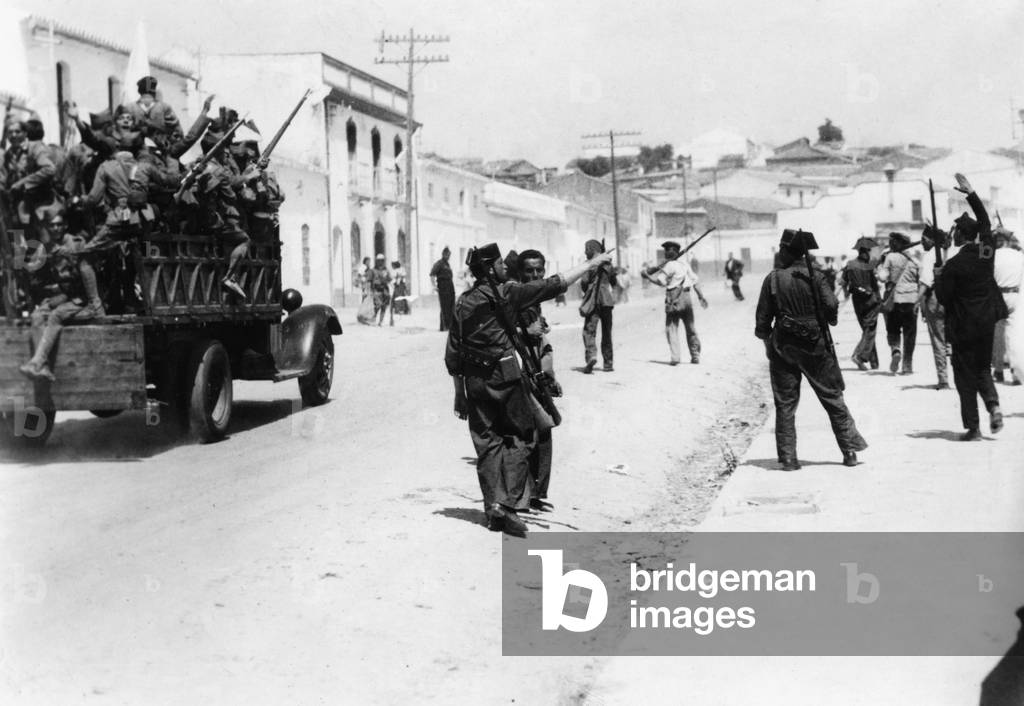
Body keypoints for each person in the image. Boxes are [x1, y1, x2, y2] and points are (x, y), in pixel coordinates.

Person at [445, 242, 613, 535]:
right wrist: (591, 264)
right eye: (499, 264)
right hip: (505, 377)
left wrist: (459, 393)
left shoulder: (463, 302)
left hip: (474, 381)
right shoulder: (507, 293)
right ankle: (507, 506)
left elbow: (454, 351)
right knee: (523, 435)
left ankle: (492, 507)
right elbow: (555, 284)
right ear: (490, 268)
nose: (503, 267)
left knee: (487, 444)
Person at [754, 229, 868, 469]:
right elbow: (831, 304)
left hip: (783, 346)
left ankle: (788, 458)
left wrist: (768, 347)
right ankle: (849, 452)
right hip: (816, 345)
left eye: (782, 250)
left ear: (786, 252)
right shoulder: (815, 277)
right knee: (832, 397)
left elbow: (763, 321)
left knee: (785, 403)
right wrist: (827, 318)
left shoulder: (773, 279)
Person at [934, 173, 1007, 441]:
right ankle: (993, 405)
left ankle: (974, 427)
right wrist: (971, 193)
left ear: (960, 235)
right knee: (982, 369)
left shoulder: (953, 266)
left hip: (963, 326)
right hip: (987, 320)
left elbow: (943, 298)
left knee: (964, 376)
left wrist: (939, 275)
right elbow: (986, 223)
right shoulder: (986, 251)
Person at [517, 249, 559, 510]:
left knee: (542, 431)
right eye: (529, 270)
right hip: (518, 373)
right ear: (520, 272)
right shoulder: (513, 295)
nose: (534, 275)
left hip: (536, 370)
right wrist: (526, 331)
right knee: (531, 432)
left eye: (539, 270)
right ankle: (523, 495)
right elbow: (499, 332)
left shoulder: (535, 298)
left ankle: (536, 493)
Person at [642, 240, 708, 365]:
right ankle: (695, 355)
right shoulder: (685, 265)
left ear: (670, 252)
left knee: (671, 328)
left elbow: (661, 282)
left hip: (673, 299)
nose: (666, 252)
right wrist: (701, 297)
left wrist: (648, 277)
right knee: (691, 327)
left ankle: (675, 357)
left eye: (667, 250)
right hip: (687, 297)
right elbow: (695, 282)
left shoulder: (669, 265)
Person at [876, 232, 920, 375]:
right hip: (912, 299)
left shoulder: (890, 257)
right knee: (910, 333)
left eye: (891, 241)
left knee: (893, 328)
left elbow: (883, 278)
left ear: (896, 243)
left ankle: (895, 349)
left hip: (894, 298)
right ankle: (907, 366)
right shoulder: (915, 258)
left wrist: (879, 268)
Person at [918, 225, 953, 390]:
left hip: (935, 299)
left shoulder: (929, 256)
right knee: (953, 339)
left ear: (931, 240)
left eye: (924, 239)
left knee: (938, 339)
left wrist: (917, 302)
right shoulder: (952, 252)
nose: (922, 243)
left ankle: (943, 379)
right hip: (954, 300)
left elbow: (925, 281)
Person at [579, 239, 617, 373]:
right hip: (607, 301)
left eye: (586, 248)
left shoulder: (589, 264)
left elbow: (584, 283)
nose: (585, 252)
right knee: (607, 332)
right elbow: (614, 282)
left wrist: (588, 290)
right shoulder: (608, 264)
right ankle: (608, 363)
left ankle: (591, 356)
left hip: (593, 300)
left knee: (589, 331)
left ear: (591, 248)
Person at [992, 227, 1023, 384]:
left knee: (998, 334)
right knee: (1014, 334)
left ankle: (998, 371)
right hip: (1016, 295)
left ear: (998, 240)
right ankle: (1016, 372)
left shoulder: (993, 256)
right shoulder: (1019, 256)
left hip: (998, 295)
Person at [843, 242, 880, 370]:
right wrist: (879, 299)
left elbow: (844, 281)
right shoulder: (868, 266)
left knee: (867, 330)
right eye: (868, 252)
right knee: (870, 329)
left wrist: (846, 294)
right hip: (870, 300)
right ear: (864, 252)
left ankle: (874, 363)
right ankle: (858, 355)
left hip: (857, 300)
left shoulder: (850, 264)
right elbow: (874, 284)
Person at [124, 76, 183, 153]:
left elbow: (177, 132)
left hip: (161, 151)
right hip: (135, 150)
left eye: (149, 94)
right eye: (145, 94)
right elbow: (122, 130)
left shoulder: (165, 108)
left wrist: (168, 145)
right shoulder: (130, 108)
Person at [430, 246, 455, 331]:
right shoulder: (439, 264)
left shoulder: (447, 264)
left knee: (451, 306)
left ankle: (449, 326)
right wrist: (434, 286)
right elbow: (432, 274)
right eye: (447, 255)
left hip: (450, 286)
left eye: (449, 255)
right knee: (444, 306)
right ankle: (444, 326)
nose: (448, 257)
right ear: (443, 254)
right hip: (443, 286)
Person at [368, 253, 391, 326]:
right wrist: (369, 290)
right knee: (377, 305)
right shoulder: (373, 270)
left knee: (384, 306)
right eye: (379, 260)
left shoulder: (386, 270)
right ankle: (373, 319)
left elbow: (389, 279)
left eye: (382, 260)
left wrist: (386, 277)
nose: (380, 262)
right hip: (376, 290)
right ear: (376, 261)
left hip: (385, 290)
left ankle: (381, 321)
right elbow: (369, 280)